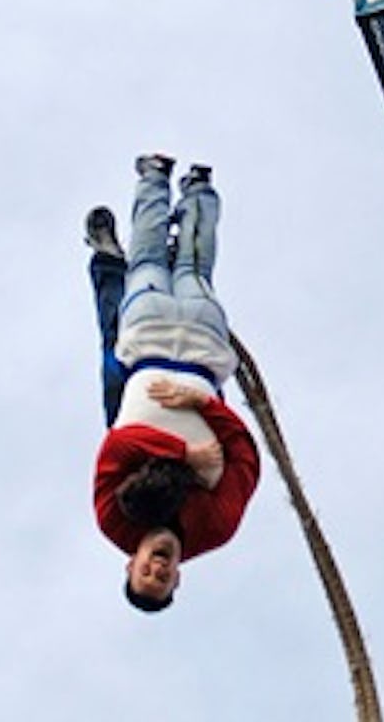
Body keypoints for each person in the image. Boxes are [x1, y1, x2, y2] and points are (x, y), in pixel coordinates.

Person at [86, 154, 260, 613]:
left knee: (145, 263)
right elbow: (244, 458)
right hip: (202, 354)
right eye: (163, 581)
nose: (156, 570)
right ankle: (200, 188)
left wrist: (186, 454)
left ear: (131, 564)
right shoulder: (214, 528)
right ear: (176, 578)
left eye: (145, 574)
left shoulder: (113, 520)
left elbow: (116, 449)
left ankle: (154, 178)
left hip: (147, 347)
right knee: (194, 271)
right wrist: (201, 403)